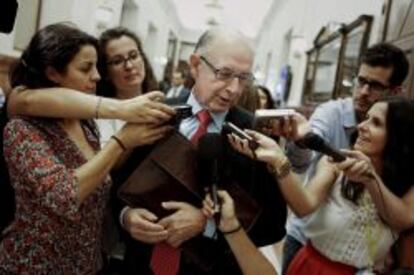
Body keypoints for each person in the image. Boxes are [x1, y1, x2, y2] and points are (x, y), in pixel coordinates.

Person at [0, 23, 172, 274]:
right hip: (36, 265)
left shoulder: (85, 123)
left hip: (89, 264)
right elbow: (66, 196)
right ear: (53, 73)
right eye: (86, 68)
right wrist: (121, 140)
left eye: (96, 66)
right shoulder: (23, 129)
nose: (97, 76)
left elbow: (104, 176)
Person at [116, 27, 287, 274]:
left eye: (244, 78)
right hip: (141, 264)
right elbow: (115, 186)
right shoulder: (156, 115)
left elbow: (273, 225)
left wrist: (207, 223)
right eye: (225, 74)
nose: (234, 89)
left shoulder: (255, 136)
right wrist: (126, 216)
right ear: (195, 65)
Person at [229, 97, 414, 274]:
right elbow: (304, 206)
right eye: (366, 118)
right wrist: (278, 159)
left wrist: (371, 179)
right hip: (312, 266)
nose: (361, 126)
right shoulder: (336, 162)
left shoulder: (406, 184)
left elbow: (402, 220)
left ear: (398, 135)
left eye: (376, 123)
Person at [279, 42, 409, 273]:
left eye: (375, 85)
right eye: (361, 81)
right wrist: (300, 140)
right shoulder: (331, 115)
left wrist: (370, 178)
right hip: (307, 242)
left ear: (395, 91)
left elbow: (403, 219)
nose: (363, 92)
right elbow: (305, 161)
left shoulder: (402, 172)